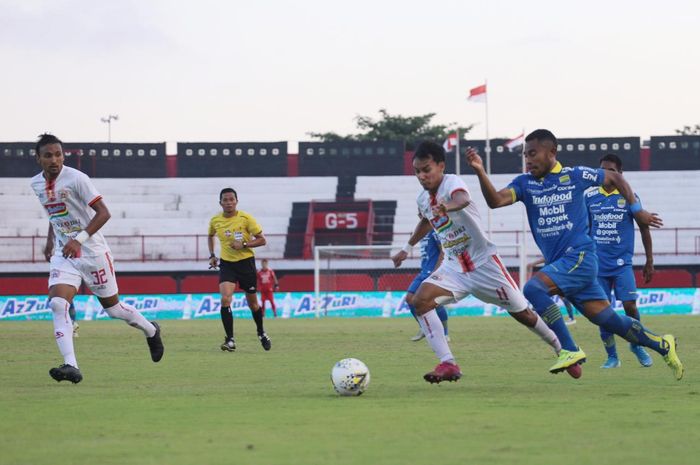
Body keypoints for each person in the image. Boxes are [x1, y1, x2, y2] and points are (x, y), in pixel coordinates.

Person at [466, 129, 683, 380]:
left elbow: (615, 179)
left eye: (533, 154)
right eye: (525, 155)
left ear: (552, 153)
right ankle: (662, 345)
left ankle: (569, 349)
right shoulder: (525, 184)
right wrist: (480, 171)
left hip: (579, 257)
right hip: (565, 266)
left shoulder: (575, 175)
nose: (528, 160)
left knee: (533, 289)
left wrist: (636, 210)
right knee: (613, 322)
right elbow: (495, 201)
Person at [391, 141, 566, 384]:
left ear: (441, 166)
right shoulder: (423, 199)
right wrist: (406, 248)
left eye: (427, 170)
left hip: (484, 265)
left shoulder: (451, 183)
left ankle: (561, 348)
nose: (422, 176)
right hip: (454, 268)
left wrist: (447, 207)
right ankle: (448, 362)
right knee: (419, 301)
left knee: (522, 313)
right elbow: (425, 220)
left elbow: (461, 199)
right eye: (417, 172)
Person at [31, 134, 164, 384]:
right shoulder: (36, 184)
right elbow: (55, 213)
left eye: (58, 154)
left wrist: (77, 240)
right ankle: (71, 365)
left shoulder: (77, 179)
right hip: (65, 253)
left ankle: (151, 329)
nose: (54, 159)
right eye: (48, 155)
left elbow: (104, 213)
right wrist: (52, 240)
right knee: (58, 304)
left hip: (92, 252)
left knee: (113, 309)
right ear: (38, 158)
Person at [586, 154, 654, 369]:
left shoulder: (629, 196)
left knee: (630, 306)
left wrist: (649, 260)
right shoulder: (589, 196)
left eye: (612, 171)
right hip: (597, 265)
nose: (607, 175)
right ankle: (612, 357)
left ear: (620, 174)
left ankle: (637, 344)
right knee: (602, 313)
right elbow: (583, 230)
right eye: (604, 170)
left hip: (622, 263)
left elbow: (644, 227)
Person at [208, 188, 271, 351]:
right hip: (227, 264)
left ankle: (261, 332)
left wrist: (243, 244)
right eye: (225, 200)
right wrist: (212, 255)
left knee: (253, 305)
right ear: (220, 202)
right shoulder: (215, 220)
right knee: (225, 299)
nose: (228, 202)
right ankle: (230, 340)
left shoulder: (246, 218)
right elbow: (210, 235)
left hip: (246, 264)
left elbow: (262, 240)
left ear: (236, 201)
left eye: (231, 199)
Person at [403, 231, 450, 342]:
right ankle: (424, 328)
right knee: (410, 299)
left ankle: (445, 334)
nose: (420, 214)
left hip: (432, 272)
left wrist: (436, 272)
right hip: (424, 271)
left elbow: (443, 252)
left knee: (435, 303)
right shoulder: (422, 232)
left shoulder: (435, 232)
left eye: (421, 213)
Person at [527, 257, 576, 325]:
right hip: (550, 274)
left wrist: (533, 263)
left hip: (553, 274)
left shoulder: (552, 254)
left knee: (541, 294)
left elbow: (545, 258)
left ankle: (535, 314)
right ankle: (571, 318)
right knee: (543, 294)